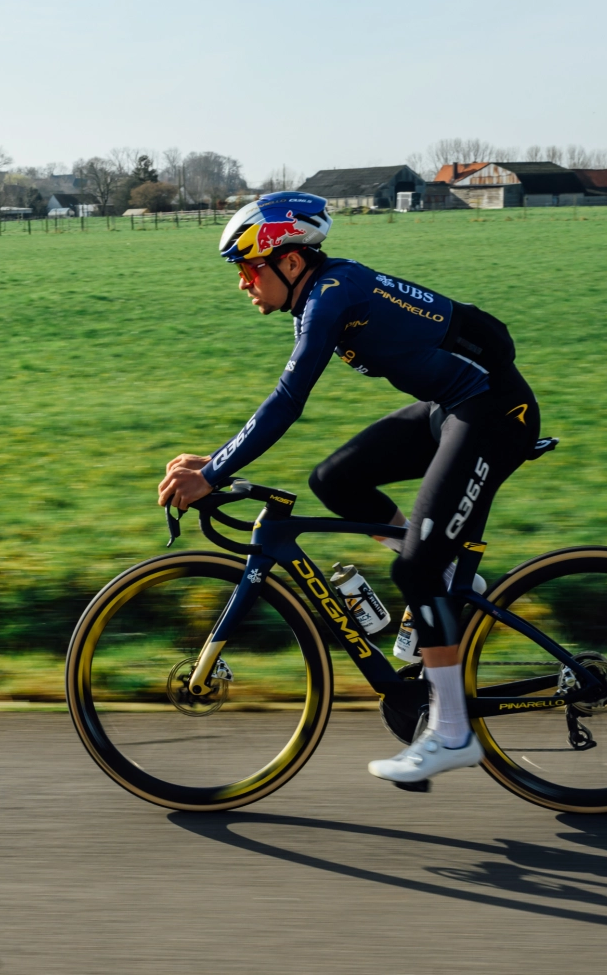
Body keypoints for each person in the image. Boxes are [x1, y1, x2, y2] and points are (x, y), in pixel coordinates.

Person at [158, 191, 543, 785]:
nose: (242, 284)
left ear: (289, 261)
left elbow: (288, 401)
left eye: (247, 268)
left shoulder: (333, 294)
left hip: (494, 414)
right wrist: (219, 462)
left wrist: (213, 473)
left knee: (413, 570)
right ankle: (442, 581)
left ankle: (452, 733)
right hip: (453, 406)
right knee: (334, 480)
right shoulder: (323, 292)